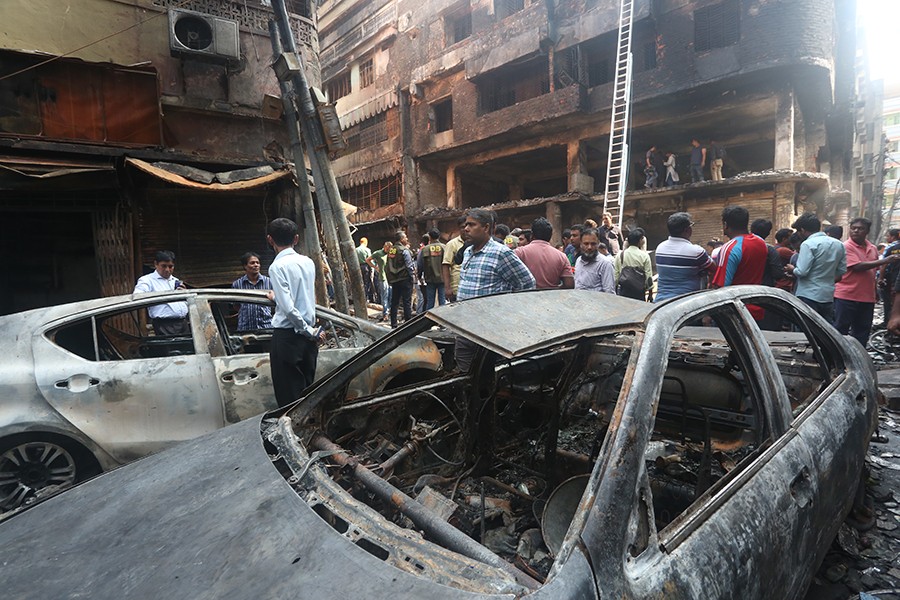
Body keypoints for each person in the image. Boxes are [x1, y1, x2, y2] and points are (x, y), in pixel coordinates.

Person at [456, 209, 535, 370]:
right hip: (464, 329)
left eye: (471, 225)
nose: (466, 228)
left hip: (490, 334)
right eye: (465, 225)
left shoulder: (501, 253)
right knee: (464, 380)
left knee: (489, 379)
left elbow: (527, 284)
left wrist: (508, 315)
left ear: (486, 228)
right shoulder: (467, 252)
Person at [265, 218, 319, 408]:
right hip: (308, 339)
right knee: (307, 394)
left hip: (288, 337)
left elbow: (288, 308)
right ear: (296, 239)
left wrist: (305, 329)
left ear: (270, 240)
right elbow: (302, 298)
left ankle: (295, 437)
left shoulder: (277, 267)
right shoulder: (308, 262)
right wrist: (309, 332)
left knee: (289, 400)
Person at [834, 218, 899, 347]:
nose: (856, 231)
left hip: (866, 298)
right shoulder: (846, 246)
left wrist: (874, 291)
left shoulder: (872, 248)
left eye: (860, 228)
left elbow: (872, 272)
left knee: (862, 332)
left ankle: (858, 361)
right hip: (846, 296)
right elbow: (857, 267)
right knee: (840, 331)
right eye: (853, 228)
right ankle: (837, 361)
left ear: (867, 231)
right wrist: (884, 261)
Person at [784, 213, 847, 322]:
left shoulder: (808, 244)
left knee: (805, 331)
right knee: (825, 332)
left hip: (808, 295)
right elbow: (841, 271)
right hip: (827, 296)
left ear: (802, 230)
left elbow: (802, 272)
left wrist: (792, 269)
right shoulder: (838, 244)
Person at [711, 206, 768, 320]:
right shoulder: (761, 243)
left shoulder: (730, 248)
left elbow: (721, 286)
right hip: (756, 307)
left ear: (725, 224)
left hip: (735, 313)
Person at [654, 212, 714, 302]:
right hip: (686, 305)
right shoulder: (696, 252)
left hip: (661, 303)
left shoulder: (660, 248)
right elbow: (714, 268)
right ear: (688, 230)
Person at [133, 250, 189, 336]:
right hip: (165, 325)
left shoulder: (175, 280)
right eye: (164, 266)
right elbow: (137, 296)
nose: (167, 270)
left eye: (170, 266)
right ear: (156, 264)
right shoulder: (147, 280)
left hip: (183, 323)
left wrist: (185, 295)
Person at [515, 217, 574, 289]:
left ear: (532, 235)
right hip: (551, 298)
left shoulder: (519, 253)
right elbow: (569, 284)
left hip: (525, 297)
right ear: (550, 236)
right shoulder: (562, 256)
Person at [231, 251, 273, 330]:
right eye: (252, 263)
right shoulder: (237, 284)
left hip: (266, 327)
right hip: (245, 328)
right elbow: (236, 306)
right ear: (245, 266)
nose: (256, 265)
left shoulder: (269, 282)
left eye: (258, 263)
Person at [386, 230, 416, 328]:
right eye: (405, 237)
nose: (407, 239)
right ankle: (408, 324)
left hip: (395, 280)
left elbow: (387, 266)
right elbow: (409, 266)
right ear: (402, 239)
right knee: (406, 301)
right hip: (405, 278)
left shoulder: (391, 250)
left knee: (394, 302)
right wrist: (412, 277)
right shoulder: (404, 250)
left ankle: (393, 324)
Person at [614, 228, 653, 300]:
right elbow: (649, 277)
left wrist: (615, 291)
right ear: (640, 241)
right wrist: (650, 294)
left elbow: (616, 276)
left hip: (624, 291)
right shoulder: (644, 256)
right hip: (639, 292)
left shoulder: (620, 255)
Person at [574, 229, 616, 293]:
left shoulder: (605, 264)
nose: (589, 247)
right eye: (586, 244)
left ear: (598, 243)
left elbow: (609, 293)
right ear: (581, 244)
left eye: (593, 244)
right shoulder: (579, 260)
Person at [418, 229, 447, 309]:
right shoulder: (445, 247)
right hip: (442, 278)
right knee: (442, 301)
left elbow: (420, 264)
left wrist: (419, 276)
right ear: (439, 236)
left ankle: (429, 320)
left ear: (429, 237)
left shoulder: (425, 249)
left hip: (430, 279)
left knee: (430, 302)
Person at [366, 241, 393, 322]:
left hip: (391, 277)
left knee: (391, 295)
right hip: (383, 276)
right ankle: (385, 313)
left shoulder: (391, 253)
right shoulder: (378, 253)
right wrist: (375, 267)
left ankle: (390, 310)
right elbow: (368, 260)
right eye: (387, 248)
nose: (388, 249)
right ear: (384, 247)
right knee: (385, 295)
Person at [443, 216, 467, 302]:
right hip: (457, 287)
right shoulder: (452, 244)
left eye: (467, 226)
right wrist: (447, 288)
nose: (465, 229)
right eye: (462, 227)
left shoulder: (475, 243)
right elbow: (446, 265)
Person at [879, 229, 900, 319]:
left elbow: (884, 264)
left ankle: (888, 322)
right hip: (895, 279)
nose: (887, 238)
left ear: (893, 237)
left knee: (889, 302)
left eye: (888, 236)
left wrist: (880, 278)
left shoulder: (891, 247)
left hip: (892, 279)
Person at [773, 228, 796, 294]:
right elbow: (799, 257)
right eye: (790, 237)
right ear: (784, 239)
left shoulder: (775, 247)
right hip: (785, 284)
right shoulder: (784, 250)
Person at [355, 237, 374, 302]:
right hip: (366, 267)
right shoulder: (367, 250)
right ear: (366, 243)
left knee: (360, 282)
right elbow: (369, 260)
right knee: (366, 283)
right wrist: (373, 268)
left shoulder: (356, 250)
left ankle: (360, 297)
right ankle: (366, 297)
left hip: (358, 267)